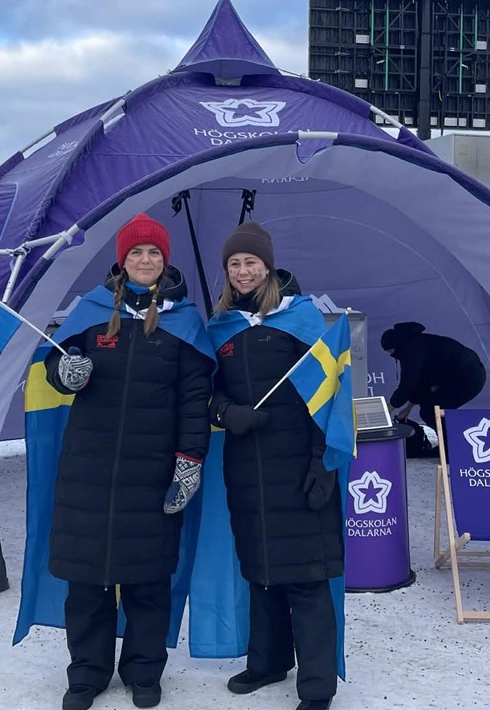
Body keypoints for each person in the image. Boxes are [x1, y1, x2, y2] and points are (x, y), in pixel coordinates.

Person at [43, 213, 214, 710]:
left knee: (148, 580)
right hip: (89, 470)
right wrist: (63, 371)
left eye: (154, 253)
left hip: (153, 471)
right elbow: (56, 358)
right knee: (87, 580)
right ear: (122, 260)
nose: (145, 261)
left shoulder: (183, 322)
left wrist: (190, 461)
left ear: (166, 261)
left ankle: (143, 670)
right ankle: (87, 673)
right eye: (136, 253)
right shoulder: (92, 312)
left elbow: (193, 400)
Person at [207, 222, 342, 710]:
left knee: (306, 576)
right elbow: (208, 393)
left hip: (299, 465)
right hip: (247, 466)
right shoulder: (219, 327)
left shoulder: (302, 319)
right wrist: (226, 414)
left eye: (251, 262)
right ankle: (267, 661)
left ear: (268, 266)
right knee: (261, 570)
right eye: (234, 264)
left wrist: (321, 462)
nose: (243, 271)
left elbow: (329, 395)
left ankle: (317, 685)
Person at [380, 321, 486, 431]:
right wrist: (408, 408)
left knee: (430, 411)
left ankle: (449, 444)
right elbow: (419, 381)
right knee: (430, 408)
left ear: (396, 346)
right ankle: (448, 442)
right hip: (469, 373)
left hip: (467, 377)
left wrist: (391, 406)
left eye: (390, 351)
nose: (391, 355)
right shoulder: (416, 343)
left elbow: (408, 383)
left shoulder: (412, 349)